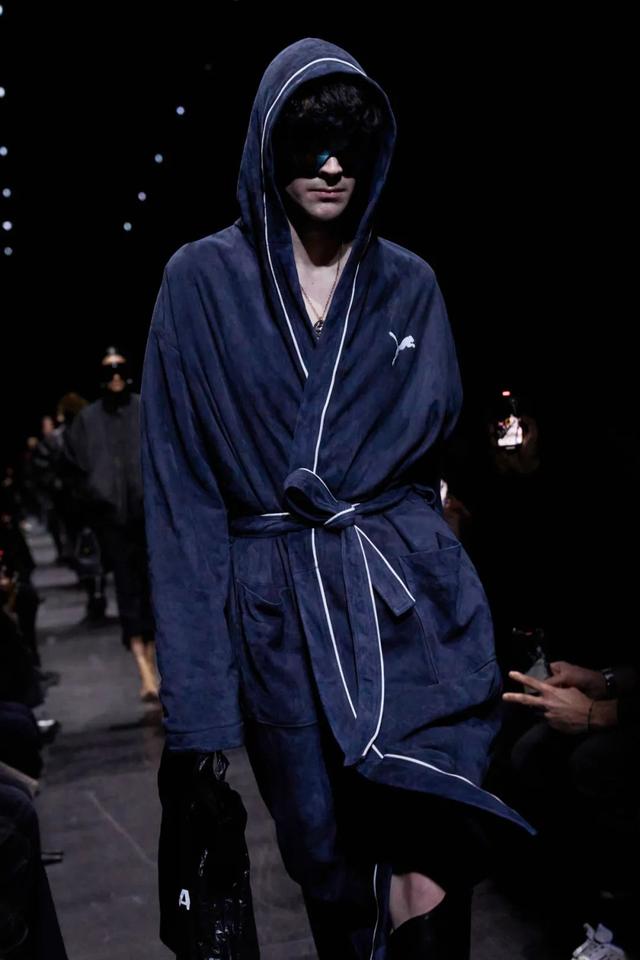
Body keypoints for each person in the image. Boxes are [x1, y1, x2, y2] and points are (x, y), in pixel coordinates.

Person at [141, 39, 531, 959]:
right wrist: (199, 714)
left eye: (348, 143)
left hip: (403, 601)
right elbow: (183, 499)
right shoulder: (199, 283)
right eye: (307, 142)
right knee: (329, 864)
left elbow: (434, 449)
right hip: (278, 613)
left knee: (429, 837)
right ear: (265, 146)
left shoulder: (409, 282)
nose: (329, 165)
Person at [64, 348, 158, 702]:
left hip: (149, 518)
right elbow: (72, 470)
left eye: (120, 368)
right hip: (112, 523)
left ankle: (155, 667)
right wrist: (95, 498)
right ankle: (144, 671)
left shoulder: (144, 408)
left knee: (154, 591)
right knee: (127, 592)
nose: (116, 375)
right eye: (109, 370)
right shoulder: (87, 421)